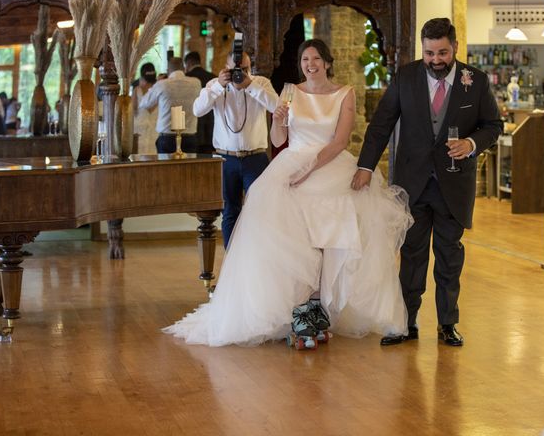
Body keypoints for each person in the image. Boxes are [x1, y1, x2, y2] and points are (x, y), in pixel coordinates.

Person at [164, 39, 412, 346]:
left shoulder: (344, 93)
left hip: (330, 167)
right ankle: (299, 313)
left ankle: (321, 311)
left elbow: (340, 142)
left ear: (327, 62)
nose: (310, 64)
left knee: (332, 242)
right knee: (295, 242)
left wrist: (309, 168)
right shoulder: (290, 91)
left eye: (316, 58)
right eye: (305, 59)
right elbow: (278, 137)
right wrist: (278, 121)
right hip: (291, 164)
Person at [352, 17, 503, 347]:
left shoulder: (474, 81)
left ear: (456, 48)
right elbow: (381, 125)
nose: (436, 60)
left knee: (450, 258)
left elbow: (493, 125)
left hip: (454, 184)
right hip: (413, 183)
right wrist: (365, 166)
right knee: (411, 256)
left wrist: (471, 143)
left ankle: (448, 324)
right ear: (422, 49)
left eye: (443, 53)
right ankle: (405, 323)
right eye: (429, 53)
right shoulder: (406, 77)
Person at [191, 50, 278, 248]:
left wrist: (250, 86)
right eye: (235, 69)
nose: (240, 73)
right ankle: (232, 262)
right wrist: (219, 86)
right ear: (226, 68)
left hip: (255, 158)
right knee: (230, 211)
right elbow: (198, 110)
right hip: (225, 159)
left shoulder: (261, 83)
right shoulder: (214, 85)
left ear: (250, 67)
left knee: (260, 210)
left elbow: (276, 107)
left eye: (245, 69)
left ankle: (257, 258)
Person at [138, 57, 201, 154]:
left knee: (166, 168)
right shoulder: (196, 83)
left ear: (168, 70)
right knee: (188, 168)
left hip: (167, 137)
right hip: (189, 136)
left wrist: (156, 84)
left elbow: (144, 103)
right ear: (184, 68)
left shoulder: (162, 84)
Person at [184, 51, 216, 154]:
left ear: (188, 64)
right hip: (210, 127)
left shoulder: (186, 78)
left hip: (192, 127)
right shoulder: (213, 77)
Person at [132, 62, 158, 154]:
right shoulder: (158, 89)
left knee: (138, 152)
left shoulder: (137, 89)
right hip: (154, 126)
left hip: (138, 125)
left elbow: (133, 109)